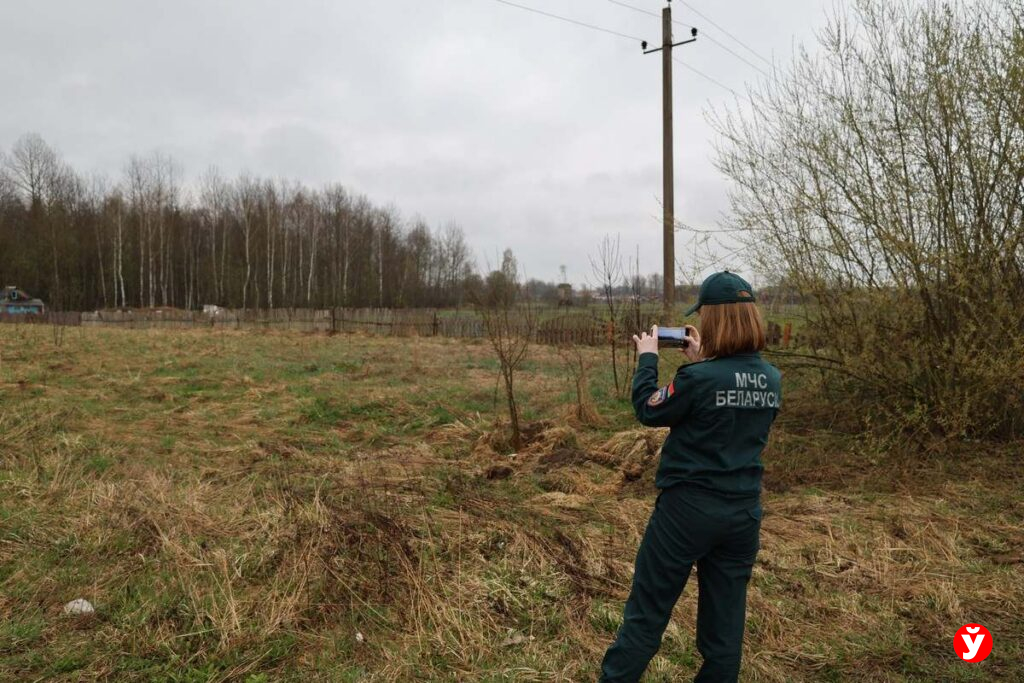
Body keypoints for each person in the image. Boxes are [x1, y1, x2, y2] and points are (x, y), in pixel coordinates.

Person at [599, 271, 782, 683]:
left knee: (647, 615)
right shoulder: (772, 379)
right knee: (724, 634)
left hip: (686, 513)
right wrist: (703, 365)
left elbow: (649, 409)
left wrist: (647, 357)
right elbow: (730, 406)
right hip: (743, 515)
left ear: (714, 320)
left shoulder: (697, 380)